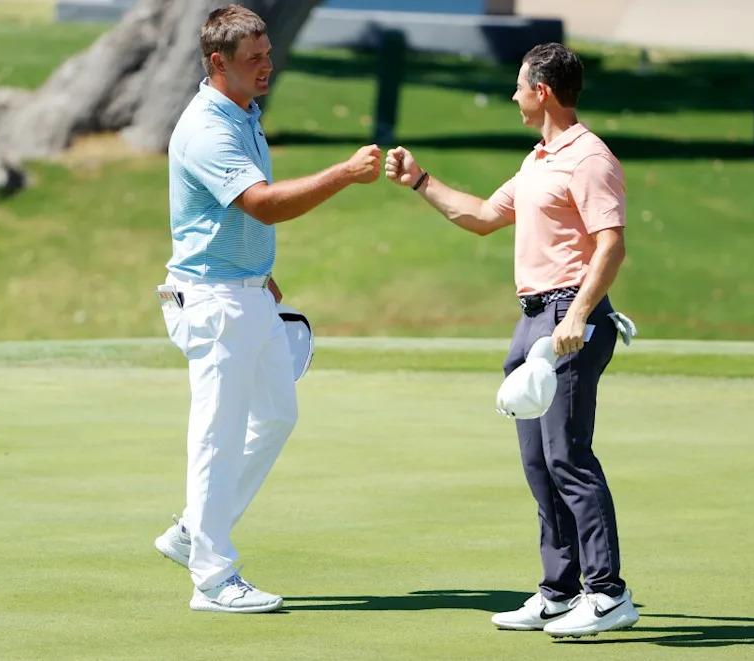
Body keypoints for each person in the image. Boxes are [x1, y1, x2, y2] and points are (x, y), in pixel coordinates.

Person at [385, 42, 639, 637]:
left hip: (568, 318)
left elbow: (611, 244)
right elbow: (478, 215)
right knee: (538, 462)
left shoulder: (588, 158)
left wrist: (577, 315)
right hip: (532, 318)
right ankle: (558, 591)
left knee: (568, 457)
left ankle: (607, 594)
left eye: (519, 85)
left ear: (541, 91)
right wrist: (420, 180)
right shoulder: (538, 159)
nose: (513, 95)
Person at [154, 4, 380, 615]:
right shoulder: (207, 127)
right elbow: (264, 204)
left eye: (268, 55)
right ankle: (212, 577)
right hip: (213, 302)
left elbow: (225, 216)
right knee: (217, 438)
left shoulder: (244, 114)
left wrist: (261, 269)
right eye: (253, 59)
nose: (266, 68)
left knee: (276, 417)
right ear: (216, 63)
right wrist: (344, 173)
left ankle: (190, 532)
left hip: (246, 290)